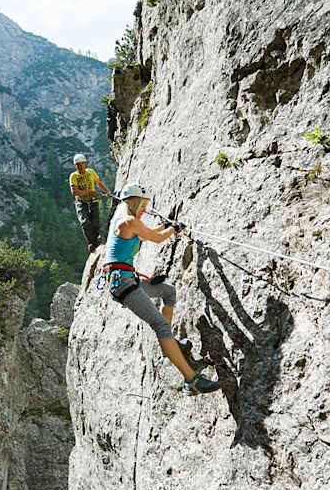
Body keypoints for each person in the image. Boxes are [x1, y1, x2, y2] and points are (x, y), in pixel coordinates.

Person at [101, 183, 222, 395]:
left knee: (168, 292)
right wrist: (173, 229)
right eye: (142, 205)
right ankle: (192, 381)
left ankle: (171, 344)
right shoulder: (129, 221)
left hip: (124, 279)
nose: (144, 210)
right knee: (160, 325)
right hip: (123, 282)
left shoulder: (124, 220)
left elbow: (147, 234)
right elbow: (156, 238)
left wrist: (167, 227)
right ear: (132, 202)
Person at [69, 153, 110, 253]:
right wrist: (90, 193)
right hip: (81, 202)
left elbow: (98, 183)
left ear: (85, 164)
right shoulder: (74, 176)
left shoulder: (91, 172)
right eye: (78, 164)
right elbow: (75, 192)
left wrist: (107, 191)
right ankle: (92, 243)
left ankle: (96, 241)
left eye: (82, 163)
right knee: (85, 222)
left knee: (95, 222)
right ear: (75, 166)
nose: (80, 166)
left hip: (93, 201)